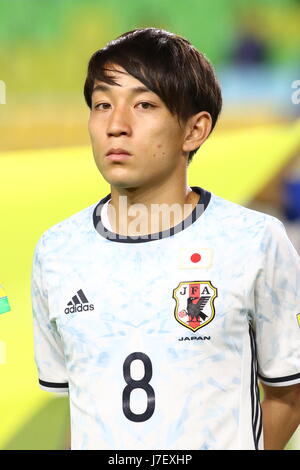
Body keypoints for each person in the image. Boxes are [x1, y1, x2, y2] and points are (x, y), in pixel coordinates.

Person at [31, 28, 300, 450]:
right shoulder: (56, 251)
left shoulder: (254, 241)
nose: (116, 125)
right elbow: (81, 408)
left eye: (144, 105)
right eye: (102, 104)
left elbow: (289, 395)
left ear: (194, 131)